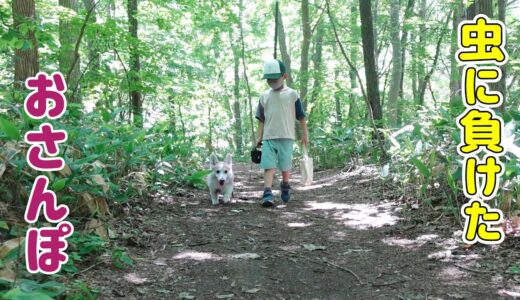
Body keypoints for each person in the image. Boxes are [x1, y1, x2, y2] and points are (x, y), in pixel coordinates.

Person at [255, 59, 309, 207]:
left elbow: (301, 117)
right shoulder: (264, 96)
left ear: (284, 76)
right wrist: (258, 138)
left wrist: (305, 135)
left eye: (275, 79)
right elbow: (261, 119)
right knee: (268, 165)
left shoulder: (292, 94)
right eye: (269, 79)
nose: (272, 82)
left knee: (285, 165)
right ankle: (267, 192)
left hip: (287, 136)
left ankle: (285, 184)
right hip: (268, 137)